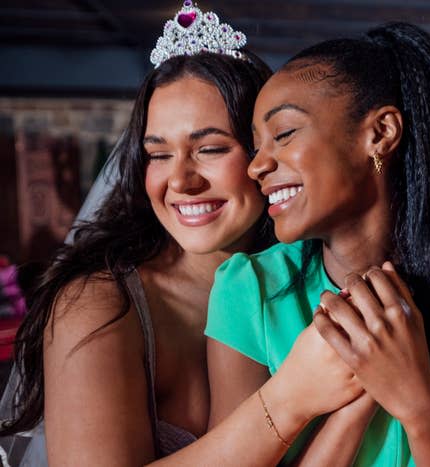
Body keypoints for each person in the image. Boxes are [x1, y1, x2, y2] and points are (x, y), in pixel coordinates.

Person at [0, 3, 366, 466]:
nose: (181, 181)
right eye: (158, 155)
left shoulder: (312, 277)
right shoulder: (99, 306)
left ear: (265, 154)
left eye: (210, 149)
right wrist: (290, 398)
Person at [206, 22, 430, 466]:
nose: (257, 167)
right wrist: (358, 389)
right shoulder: (249, 290)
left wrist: (418, 399)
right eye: (255, 147)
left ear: (381, 132)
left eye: (284, 134)